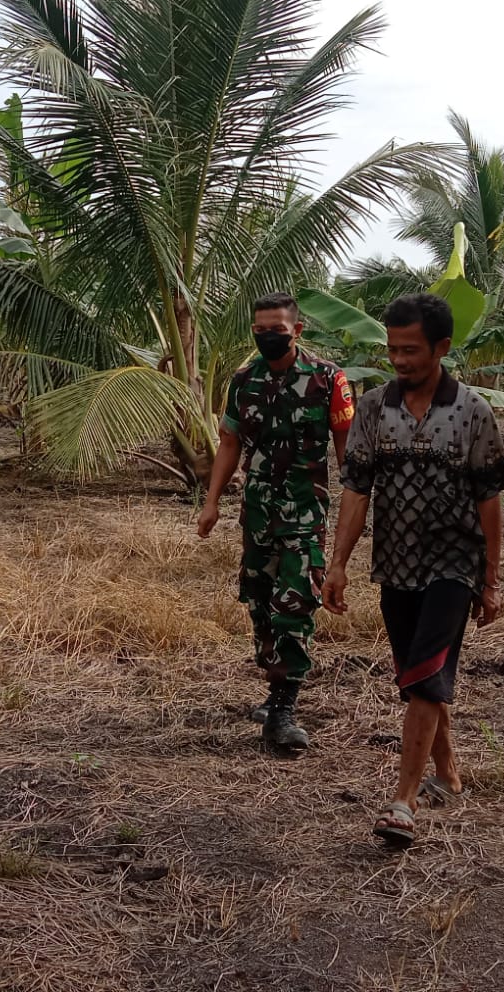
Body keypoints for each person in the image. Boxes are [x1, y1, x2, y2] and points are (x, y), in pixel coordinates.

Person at [322, 292, 504, 846]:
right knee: (417, 679)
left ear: (442, 348)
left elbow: (489, 499)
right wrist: (338, 564)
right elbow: (357, 490)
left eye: (411, 351)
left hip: (453, 564)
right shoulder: (375, 409)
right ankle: (448, 773)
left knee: (427, 673)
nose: (400, 361)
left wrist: (490, 579)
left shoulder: (473, 411)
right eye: (393, 350)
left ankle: (402, 801)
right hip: (396, 564)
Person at [197, 292, 356, 753]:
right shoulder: (245, 380)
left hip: (306, 515)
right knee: (261, 604)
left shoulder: (329, 380)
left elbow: (346, 449)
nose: (268, 338)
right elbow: (230, 443)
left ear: (298, 331)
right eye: (260, 331)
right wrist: (212, 503)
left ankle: (283, 709)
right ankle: (274, 686)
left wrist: (358, 503)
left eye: (277, 331)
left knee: (295, 603)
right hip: (258, 513)